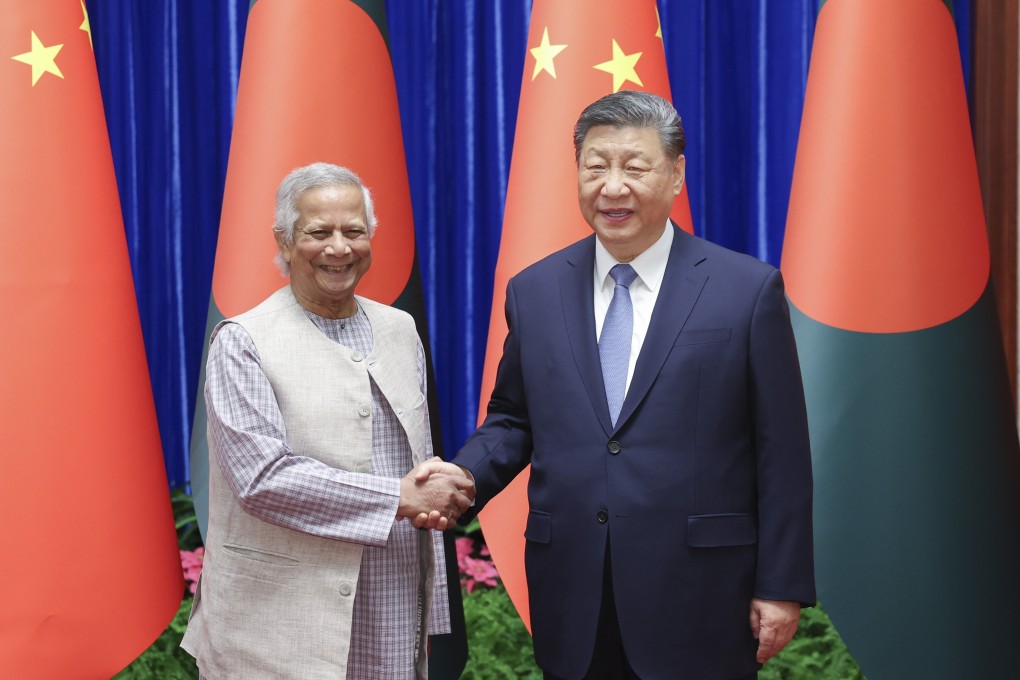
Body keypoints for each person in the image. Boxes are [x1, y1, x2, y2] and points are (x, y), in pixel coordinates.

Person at [448, 91, 815, 679]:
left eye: (634, 167)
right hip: (574, 592)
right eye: (596, 166)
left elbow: (783, 452)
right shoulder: (535, 291)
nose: (612, 186)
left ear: (675, 174)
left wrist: (781, 584)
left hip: (702, 595)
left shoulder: (744, 291)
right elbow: (514, 420)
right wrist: (463, 476)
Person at [181, 162, 474, 680]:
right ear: (285, 240)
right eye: (319, 232)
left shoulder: (399, 329)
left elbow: (417, 457)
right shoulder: (243, 340)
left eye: (354, 231)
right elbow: (261, 479)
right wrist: (400, 499)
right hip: (280, 621)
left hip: (392, 598)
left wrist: (442, 488)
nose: (339, 248)